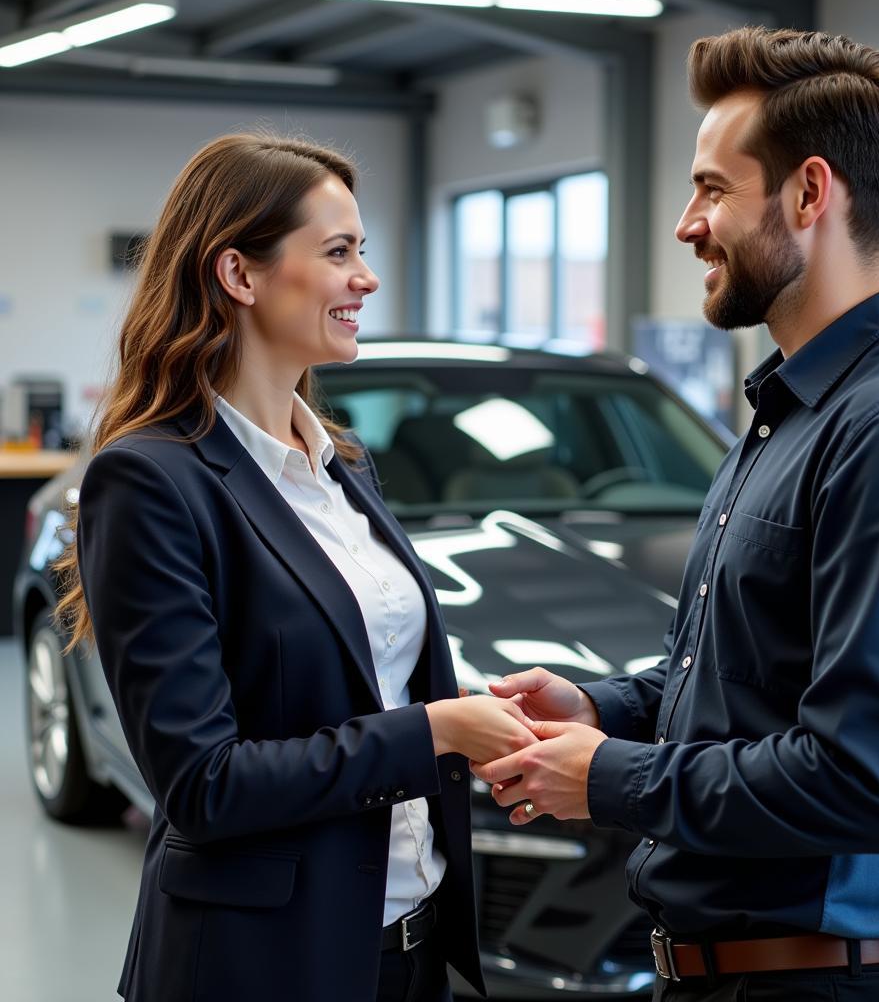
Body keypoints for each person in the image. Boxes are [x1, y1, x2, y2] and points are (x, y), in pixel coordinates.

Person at [472, 26, 879, 1002]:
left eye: (713, 189)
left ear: (810, 194)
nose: (688, 223)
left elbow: (864, 780)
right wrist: (600, 705)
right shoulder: (790, 415)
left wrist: (606, 775)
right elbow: (742, 681)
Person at [55, 132, 538, 1002]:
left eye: (364, 250)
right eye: (340, 252)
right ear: (239, 275)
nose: (367, 279)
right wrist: (437, 733)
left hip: (406, 943)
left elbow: (370, 681)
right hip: (263, 963)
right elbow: (204, 783)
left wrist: (470, 713)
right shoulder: (150, 479)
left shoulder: (340, 465)